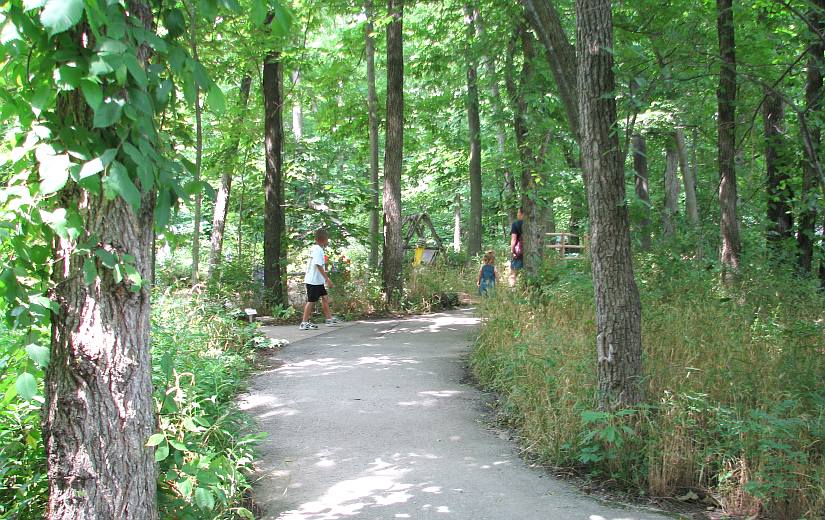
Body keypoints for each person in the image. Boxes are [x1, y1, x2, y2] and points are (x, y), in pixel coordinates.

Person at [299, 229, 342, 330]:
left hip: (317, 281)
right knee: (311, 301)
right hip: (313, 281)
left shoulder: (315, 248)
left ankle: (329, 319)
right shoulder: (318, 250)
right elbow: (318, 265)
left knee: (325, 297)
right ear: (323, 239)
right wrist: (327, 279)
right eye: (327, 239)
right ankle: (304, 323)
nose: (328, 241)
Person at [509, 207, 524, 286]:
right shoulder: (533, 224)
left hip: (518, 252)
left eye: (518, 212)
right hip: (530, 252)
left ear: (522, 213)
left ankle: (512, 289)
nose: (517, 214)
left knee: (513, 273)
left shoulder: (516, 224)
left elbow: (514, 239)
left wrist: (512, 250)